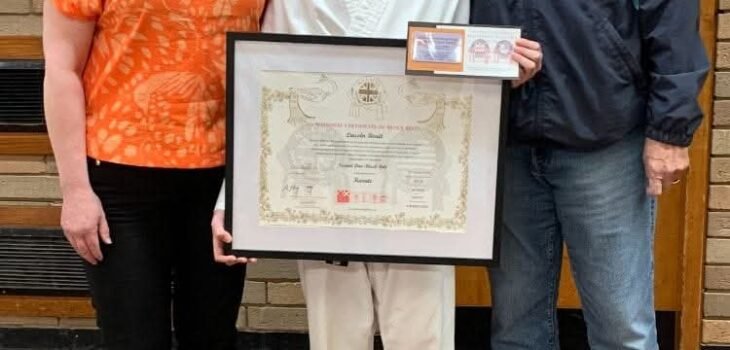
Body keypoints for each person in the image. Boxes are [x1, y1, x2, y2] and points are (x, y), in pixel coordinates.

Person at [211, 1, 542, 349]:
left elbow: (473, 66)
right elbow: (263, 85)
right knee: (336, 338)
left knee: (423, 337)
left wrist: (506, 69)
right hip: (325, 201)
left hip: (416, 194)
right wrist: (233, 197)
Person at [471, 1, 709, 349]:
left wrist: (668, 128)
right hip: (505, 133)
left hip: (604, 132)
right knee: (516, 329)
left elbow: (671, 12)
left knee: (622, 329)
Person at [42, 0, 266, 349]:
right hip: (119, 178)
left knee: (212, 337)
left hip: (219, 184)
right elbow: (61, 69)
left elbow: (278, 54)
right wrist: (75, 190)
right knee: (133, 338)